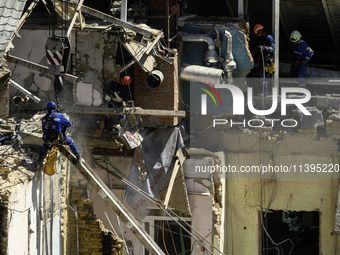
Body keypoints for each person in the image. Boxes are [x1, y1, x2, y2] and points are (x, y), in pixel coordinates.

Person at [253, 24, 275, 95]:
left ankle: (265, 91)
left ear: (261, 31)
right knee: (261, 75)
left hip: (266, 60)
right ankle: (263, 90)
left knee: (264, 75)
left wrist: (266, 49)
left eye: (258, 34)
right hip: (262, 60)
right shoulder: (263, 38)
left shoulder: (269, 38)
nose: (258, 35)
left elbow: (274, 48)